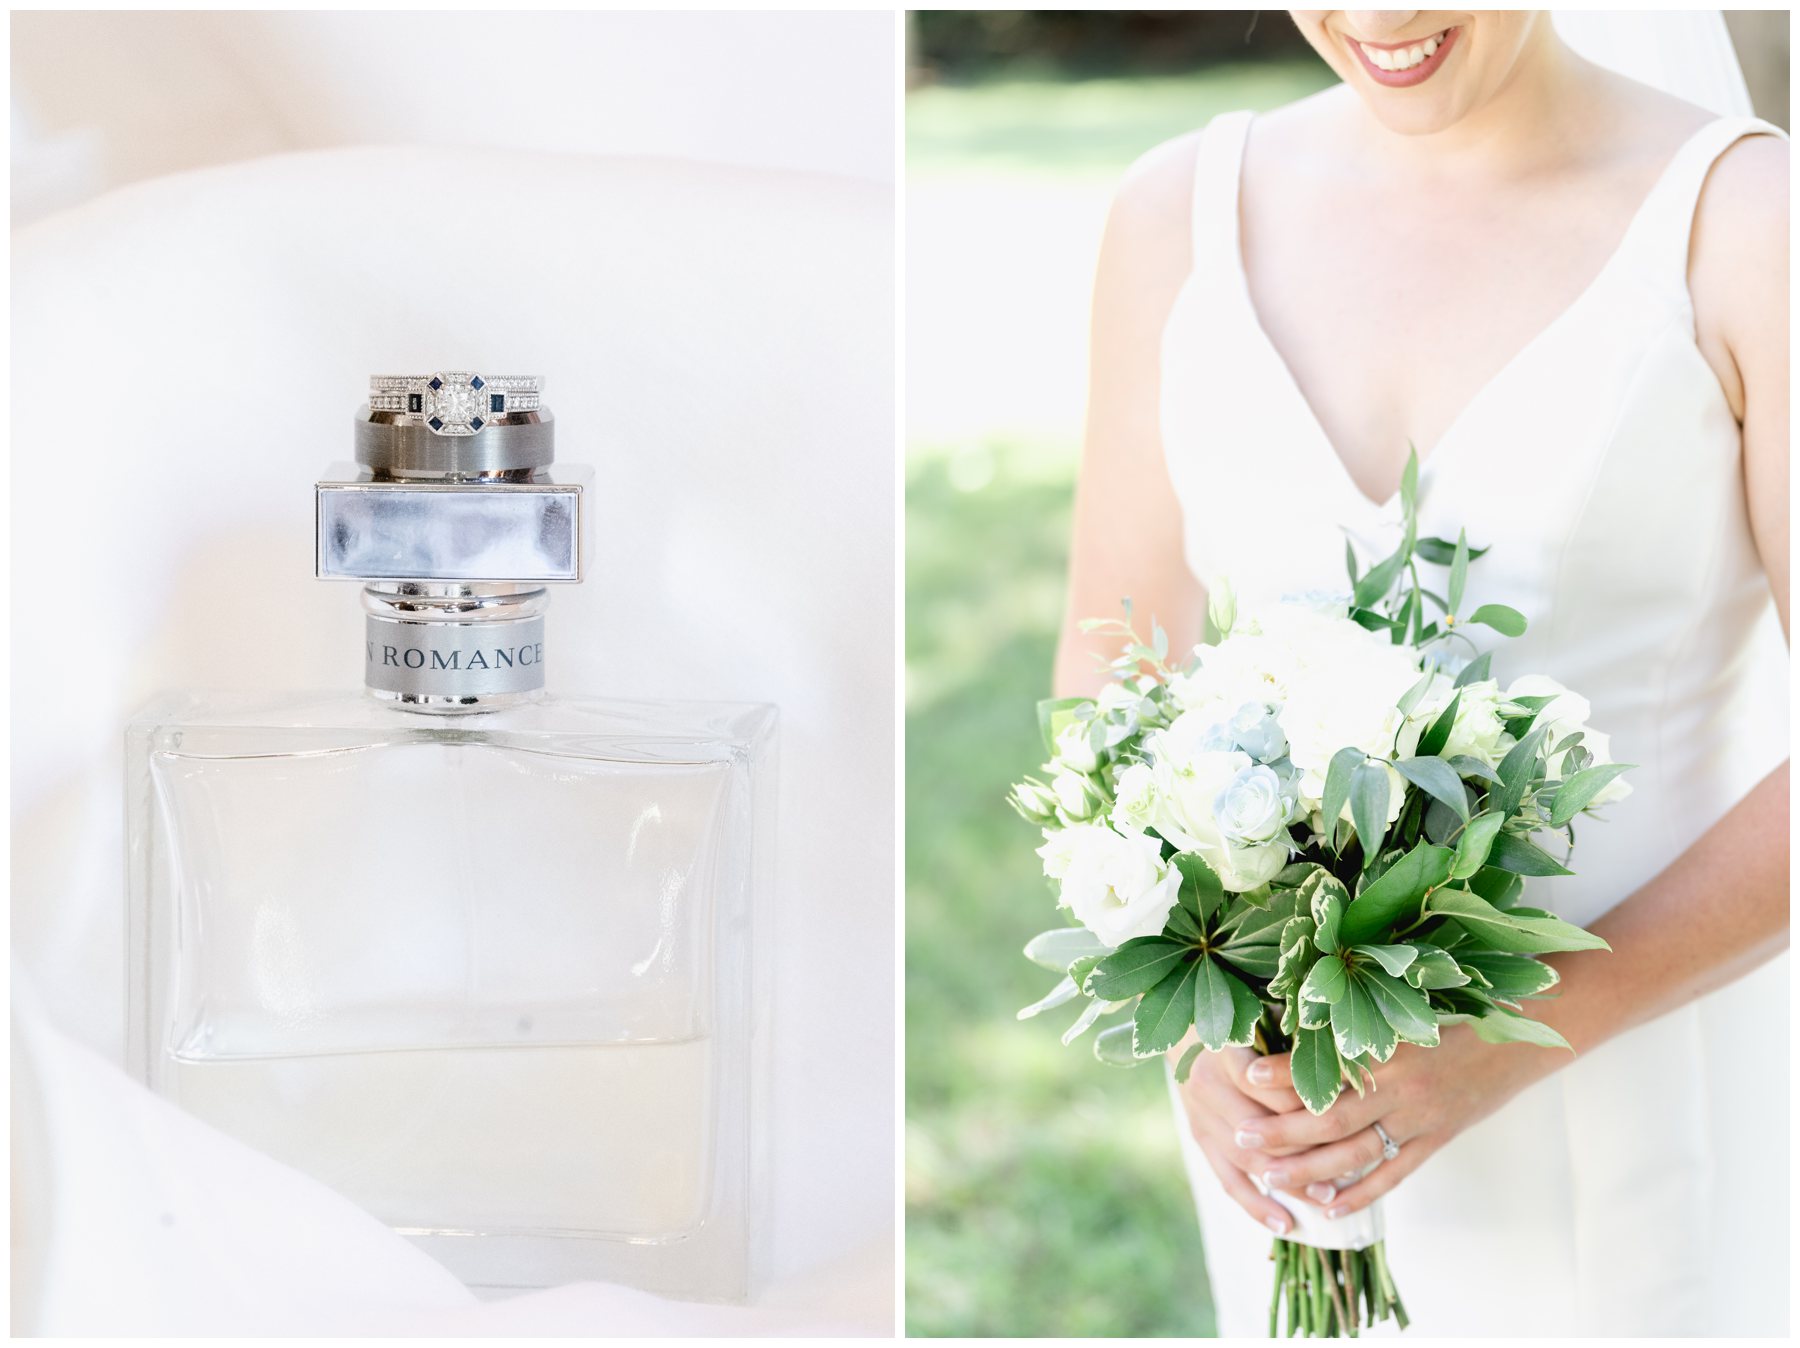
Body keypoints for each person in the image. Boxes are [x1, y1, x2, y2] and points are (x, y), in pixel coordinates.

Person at [1053, 10, 1788, 1335]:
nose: (1381, 19)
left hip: (1639, 1082)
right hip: (1299, 1126)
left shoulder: (1745, 223)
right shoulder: (1174, 216)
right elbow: (1110, 660)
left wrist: (1518, 1032)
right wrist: (1199, 1022)